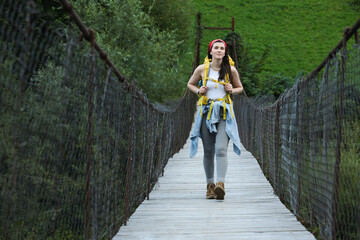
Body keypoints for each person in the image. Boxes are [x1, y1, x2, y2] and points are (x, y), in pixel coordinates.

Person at [187, 39, 243, 200]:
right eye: (216, 48)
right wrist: (199, 91)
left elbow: (240, 88)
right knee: (208, 150)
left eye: (222, 48)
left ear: (225, 52)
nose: (219, 50)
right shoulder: (202, 69)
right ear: (210, 51)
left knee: (220, 149)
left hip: (224, 113)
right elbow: (190, 84)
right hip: (206, 112)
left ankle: (220, 184)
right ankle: (210, 186)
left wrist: (232, 89)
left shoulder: (231, 70)